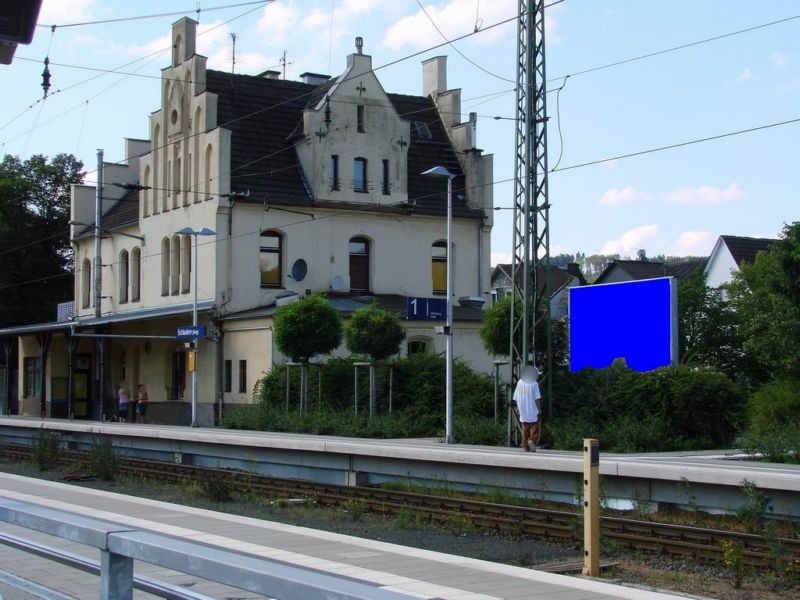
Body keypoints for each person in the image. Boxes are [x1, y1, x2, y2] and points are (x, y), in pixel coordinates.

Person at [513, 365, 542, 452]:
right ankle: (531, 440)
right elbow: (537, 398)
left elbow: (516, 397)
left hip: (522, 409)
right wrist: (539, 409)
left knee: (525, 428)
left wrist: (518, 408)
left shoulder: (520, 382)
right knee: (535, 428)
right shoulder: (534, 383)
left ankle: (526, 446)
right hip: (532, 409)